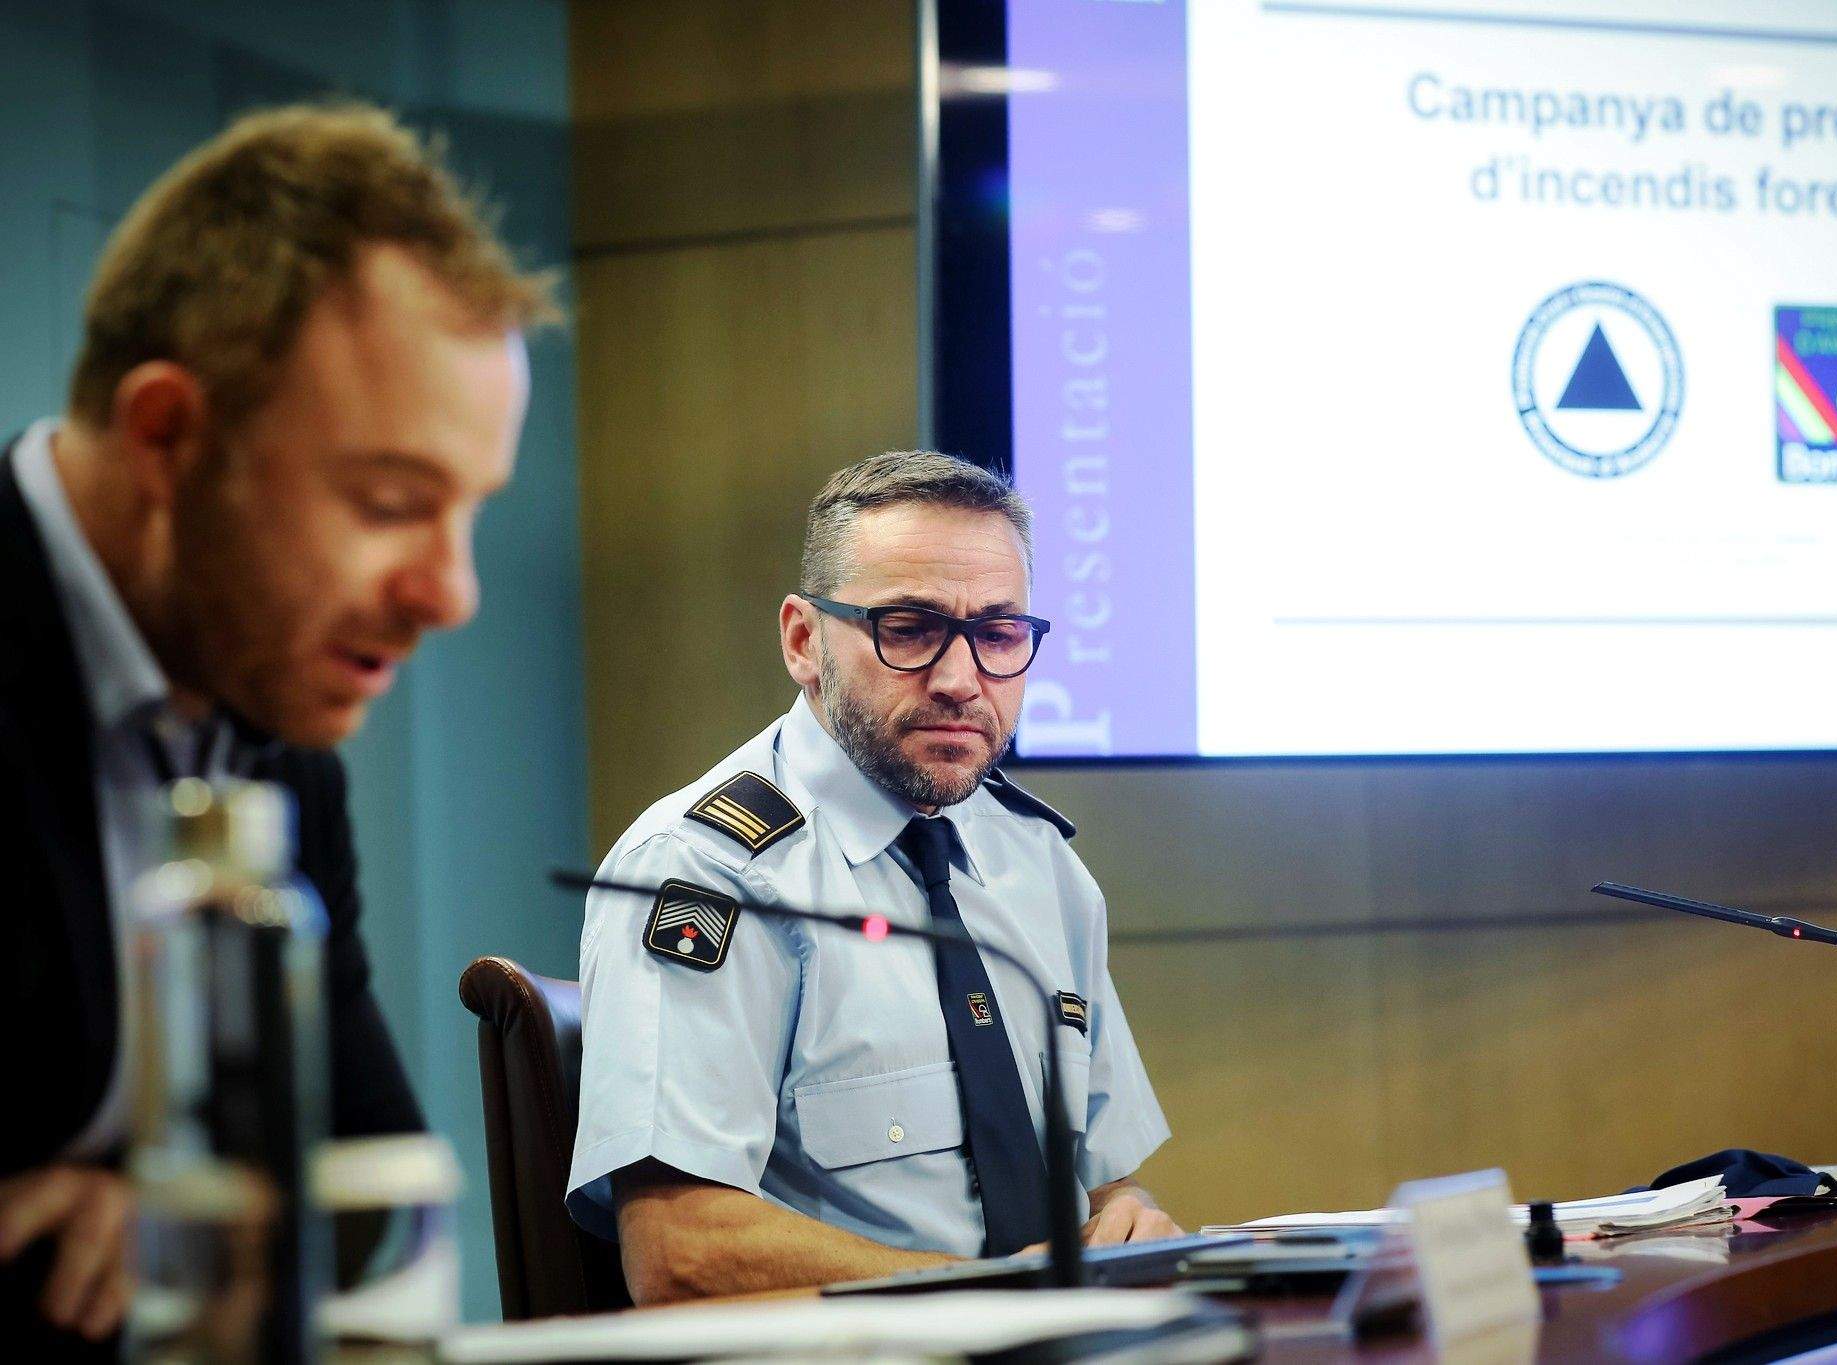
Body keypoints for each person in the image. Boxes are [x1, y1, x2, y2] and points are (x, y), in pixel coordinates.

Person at [0, 103, 554, 1348]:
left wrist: (155, 1214)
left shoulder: (269, 719)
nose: (451, 594)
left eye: (469, 511)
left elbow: (361, 1188)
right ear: (166, 434)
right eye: (391, 501)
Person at [571, 451, 1179, 1302]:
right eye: (909, 628)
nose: (962, 680)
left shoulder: (1039, 865)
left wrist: (1130, 1214)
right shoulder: (704, 872)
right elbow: (682, 1250)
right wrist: (995, 1297)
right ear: (802, 640)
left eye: (999, 633)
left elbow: (1104, 1180)